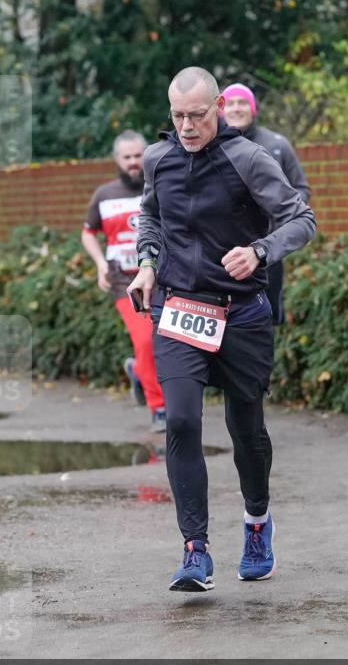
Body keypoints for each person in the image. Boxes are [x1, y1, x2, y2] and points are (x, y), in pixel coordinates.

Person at [128, 67, 316, 591]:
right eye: (178, 115)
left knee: (246, 431)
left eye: (197, 115)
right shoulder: (157, 159)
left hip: (241, 316)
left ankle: (257, 523)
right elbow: (151, 217)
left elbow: (302, 219)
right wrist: (146, 262)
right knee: (182, 422)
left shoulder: (250, 159)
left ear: (218, 109)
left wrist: (260, 250)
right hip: (179, 310)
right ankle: (195, 551)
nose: (186, 126)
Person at [82, 130, 167, 434]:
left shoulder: (161, 186)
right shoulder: (104, 196)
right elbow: (88, 232)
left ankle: (136, 371)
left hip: (163, 279)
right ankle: (159, 409)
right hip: (124, 283)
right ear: (117, 160)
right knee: (145, 340)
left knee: (166, 342)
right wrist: (100, 264)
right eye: (127, 157)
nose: (133, 162)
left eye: (138, 156)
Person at [221, 83, 310, 325]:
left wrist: (279, 224)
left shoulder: (277, 145)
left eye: (243, 102)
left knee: (266, 316)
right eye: (230, 103)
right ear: (220, 109)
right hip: (222, 251)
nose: (237, 108)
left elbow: (301, 189)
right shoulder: (212, 147)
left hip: (266, 250)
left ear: (253, 109)